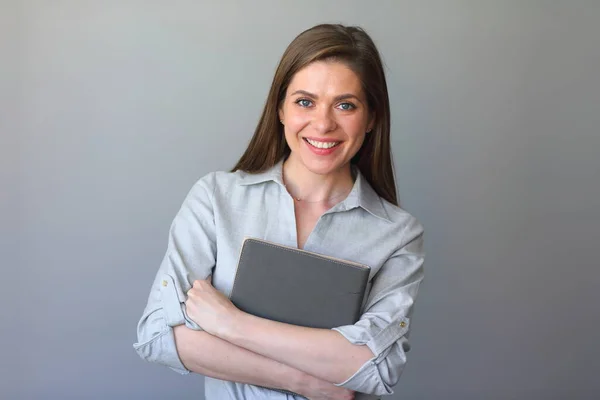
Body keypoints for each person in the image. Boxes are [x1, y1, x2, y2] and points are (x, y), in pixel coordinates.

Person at [133, 23, 425, 400]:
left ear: (371, 118)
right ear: (281, 109)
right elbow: (158, 334)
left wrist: (230, 324)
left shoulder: (399, 235)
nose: (323, 123)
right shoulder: (216, 198)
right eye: (305, 101)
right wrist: (303, 380)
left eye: (345, 105)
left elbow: (377, 368)